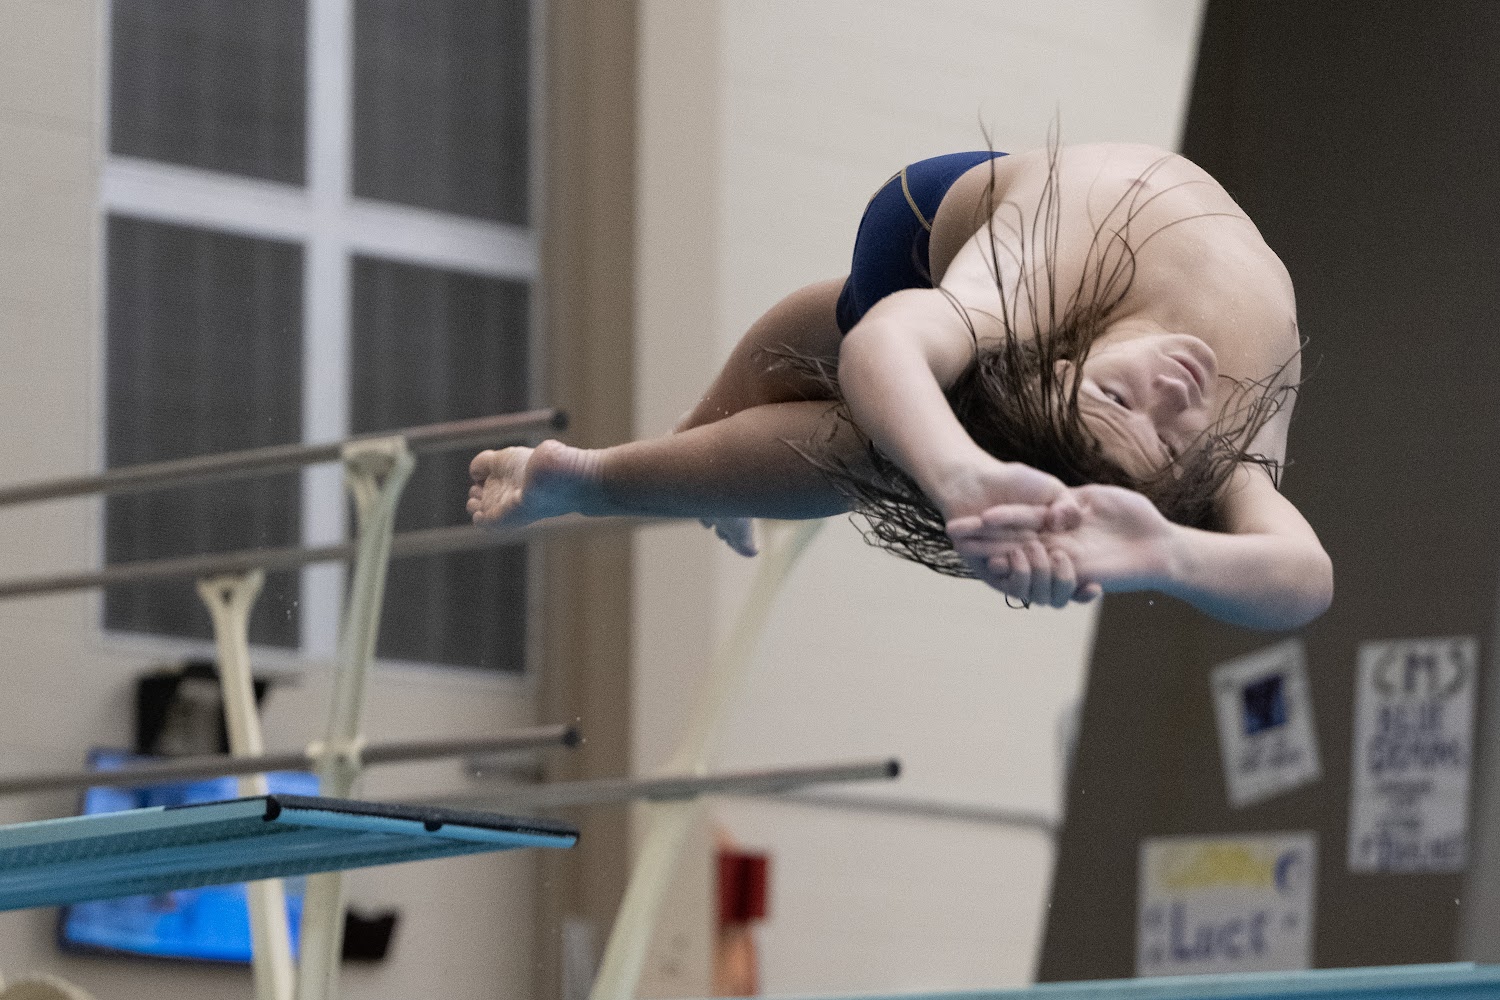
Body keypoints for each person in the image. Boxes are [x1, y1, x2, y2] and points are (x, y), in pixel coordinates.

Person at [467, 141, 1333, 631]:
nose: (1177, 395)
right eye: (1159, 423)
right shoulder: (1054, 270)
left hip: (975, 326)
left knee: (872, 452)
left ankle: (589, 479)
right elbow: (885, 339)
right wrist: (959, 475)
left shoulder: (1198, 444)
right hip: (923, 223)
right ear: (1052, 361)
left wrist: (1167, 554)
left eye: (1132, 410)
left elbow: (1304, 583)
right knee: (852, 333)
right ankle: (695, 448)